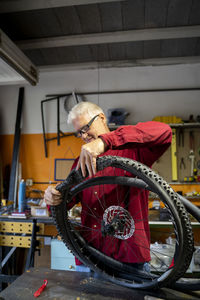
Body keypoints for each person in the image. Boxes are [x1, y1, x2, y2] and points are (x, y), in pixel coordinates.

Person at [44, 101, 172, 272]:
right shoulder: (80, 163)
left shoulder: (134, 152)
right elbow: (62, 203)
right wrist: (51, 198)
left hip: (130, 260)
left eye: (86, 128)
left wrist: (105, 141)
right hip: (90, 256)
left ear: (102, 118)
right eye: (78, 133)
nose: (83, 136)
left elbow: (164, 132)